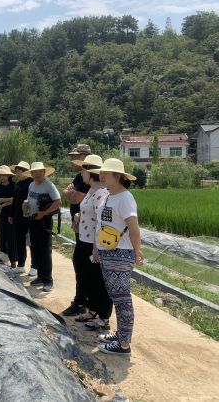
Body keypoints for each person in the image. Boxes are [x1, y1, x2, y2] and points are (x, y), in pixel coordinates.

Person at [89, 158, 144, 356]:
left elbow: (134, 228)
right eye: (101, 173)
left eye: (106, 173)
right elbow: (100, 225)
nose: (102, 176)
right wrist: (96, 249)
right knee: (115, 295)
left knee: (122, 299)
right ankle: (120, 334)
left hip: (121, 252)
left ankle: (123, 344)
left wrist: (137, 250)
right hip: (106, 252)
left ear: (118, 176)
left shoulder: (125, 198)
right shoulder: (107, 196)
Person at [69, 155, 113, 331]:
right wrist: (79, 216)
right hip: (83, 239)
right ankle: (92, 309)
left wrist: (97, 246)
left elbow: (102, 220)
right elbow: (88, 211)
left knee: (98, 279)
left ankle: (103, 316)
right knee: (85, 276)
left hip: (94, 242)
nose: (81, 174)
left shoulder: (102, 193)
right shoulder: (90, 191)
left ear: (91, 172)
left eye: (83, 170)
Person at [62, 143, 92, 316]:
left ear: (84, 157)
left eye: (75, 156)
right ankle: (82, 300)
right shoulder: (80, 177)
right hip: (80, 227)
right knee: (80, 263)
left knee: (83, 264)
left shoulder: (91, 178)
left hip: (88, 229)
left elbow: (75, 199)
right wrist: (71, 194)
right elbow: (67, 193)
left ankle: (82, 302)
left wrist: (72, 194)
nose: (72, 159)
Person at [22, 162, 61, 292]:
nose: (38, 174)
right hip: (33, 220)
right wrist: (26, 207)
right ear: (31, 174)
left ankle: (48, 279)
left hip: (44, 221)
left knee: (45, 251)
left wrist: (43, 213)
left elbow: (58, 202)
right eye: (35, 172)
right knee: (36, 249)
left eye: (40, 171)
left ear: (44, 172)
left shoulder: (49, 186)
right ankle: (40, 276)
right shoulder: (31, 185)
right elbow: (29, 200)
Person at [8, 161, 33, 273]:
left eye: (19, 170)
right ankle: (21, 264)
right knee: (19, 241)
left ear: (26, 171)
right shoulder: (17, 184)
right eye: (17, 170)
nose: (17, 172)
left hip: (28, 217)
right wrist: (11, 214)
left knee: (31, 242)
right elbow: (14, 201)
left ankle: (34, 266)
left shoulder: (31, 183)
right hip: (18, 216)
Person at [0, 165, 15, 255]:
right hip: (1, 212)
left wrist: (5, 203)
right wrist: (10, 199)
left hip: (12, 212)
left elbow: (16, 200)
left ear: (9, 176)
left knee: (11, 236)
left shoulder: (14, 186)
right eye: (0, 175)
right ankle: (1, 257)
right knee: (1, 235)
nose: (2, 177)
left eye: (4, 175)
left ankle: (13, 260)